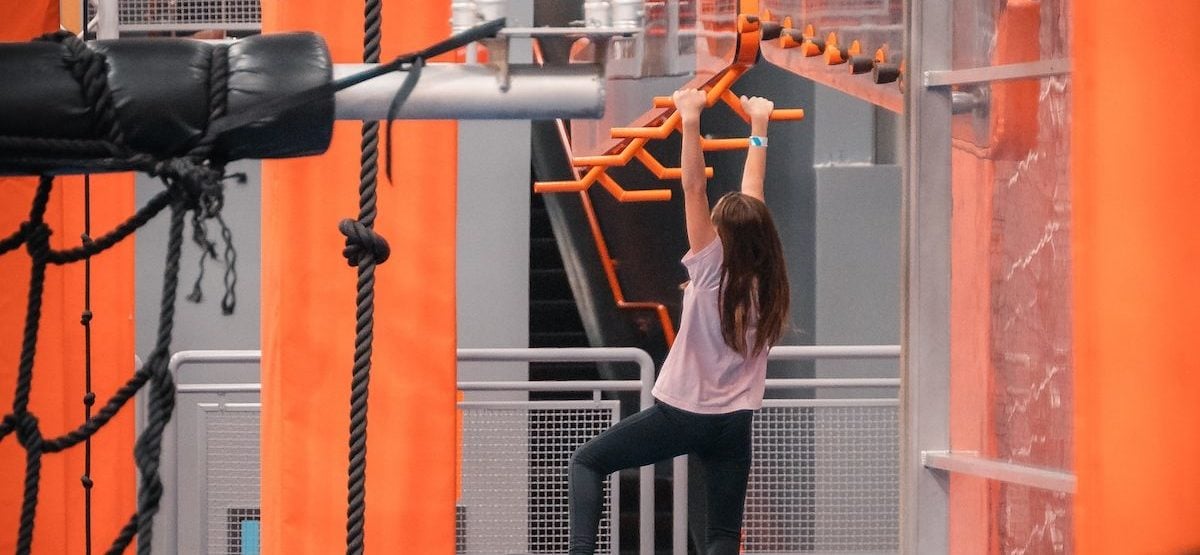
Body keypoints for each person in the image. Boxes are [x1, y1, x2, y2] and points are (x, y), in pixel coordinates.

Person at [568, 88, 791, 555]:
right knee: (723, 535)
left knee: (588, 461)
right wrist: (759, 128)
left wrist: (690, 119)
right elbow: (755, 198)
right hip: (735, 420)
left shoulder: (712, 267)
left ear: (721, 233)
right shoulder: (767, 277)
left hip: (685, 413)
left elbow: (693, 186)